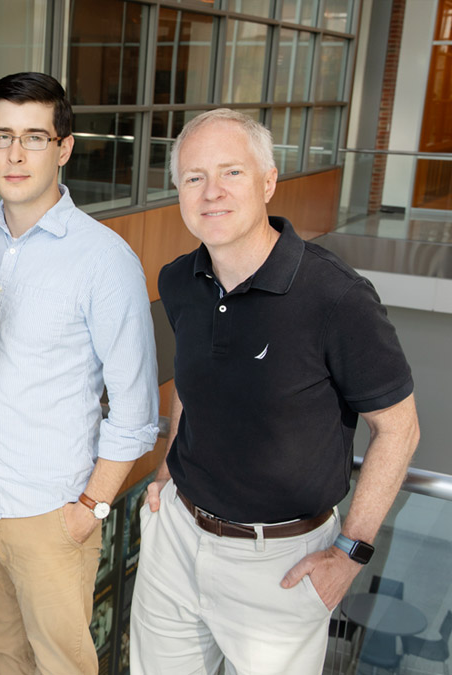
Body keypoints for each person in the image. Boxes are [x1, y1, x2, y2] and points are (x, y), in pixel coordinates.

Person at [131, 108, 420, 674]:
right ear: (178, 190)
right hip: (176, 540)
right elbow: (192, 381)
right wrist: (168, 468)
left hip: (282, 564)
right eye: (194, 177)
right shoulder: (177, 279)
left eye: (231, 173)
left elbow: (400, 428)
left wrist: (352, 552)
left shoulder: (336, 298)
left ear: (268, 181)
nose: (211, 192)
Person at [0, 72, 160, 675]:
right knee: (3, 653)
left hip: (51, 509)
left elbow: (136, 410)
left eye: (35, 137)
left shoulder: (104, 259)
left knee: (63, 664)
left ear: (63, 148)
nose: (16, 154)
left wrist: (91, 506)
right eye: (4, 136)